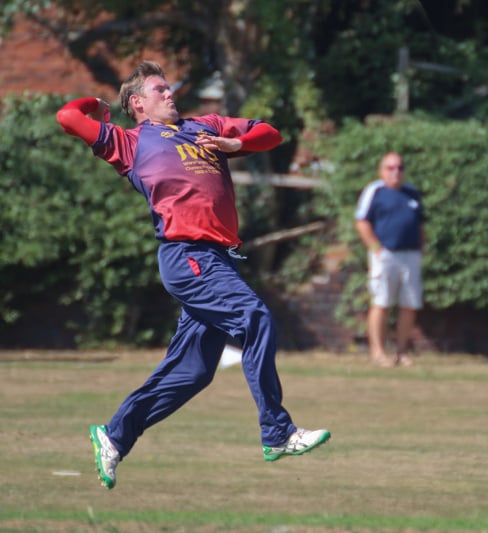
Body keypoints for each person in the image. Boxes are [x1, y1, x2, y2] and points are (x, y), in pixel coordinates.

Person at [55, 61, 330, 490]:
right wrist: (98, 104)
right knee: (254, 317)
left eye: (169, 88)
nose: (170, 94)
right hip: (188, 256)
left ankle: (115, 435)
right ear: (137, 103)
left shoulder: (205, 125)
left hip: (218, 258)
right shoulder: (127, 141)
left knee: (194, 370)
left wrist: (232, 141)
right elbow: (69, 117)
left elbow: (271, 134)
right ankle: (278, 433)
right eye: (160, 89)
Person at [355, 152, 425, 368]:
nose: (396, 172)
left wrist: (422, 248)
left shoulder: (411, 192)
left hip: (411, 255)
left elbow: (421, 224)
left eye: (400, 168)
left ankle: (401, 352)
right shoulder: (375, 191)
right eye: (390, 168)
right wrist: (376, 248)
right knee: (381, 302)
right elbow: (362, 221)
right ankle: (378, 352)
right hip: (385, 255)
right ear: (382, 170)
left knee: (409, 304)